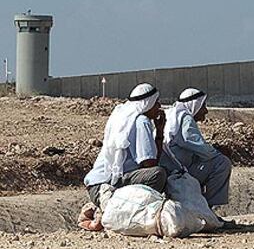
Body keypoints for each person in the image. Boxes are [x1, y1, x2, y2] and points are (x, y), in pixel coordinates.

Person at [84, 83, 167, 211]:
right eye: (156, 102)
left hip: (95, 185)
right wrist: (160, 133)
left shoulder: (123, 116)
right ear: (147, 104)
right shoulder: (141, 121)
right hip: (105, 187)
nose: (159, 106)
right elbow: (149, 163)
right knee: (158, 174)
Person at [160, 88, 232, 210]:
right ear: (195, 105)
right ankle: (207, 209)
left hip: (173, 170)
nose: (206, 110)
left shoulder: (174, 115)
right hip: (177, 173)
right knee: (222, 163)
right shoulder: (185, 119)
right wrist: (219, 153)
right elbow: (197, 145)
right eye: (203, 106)